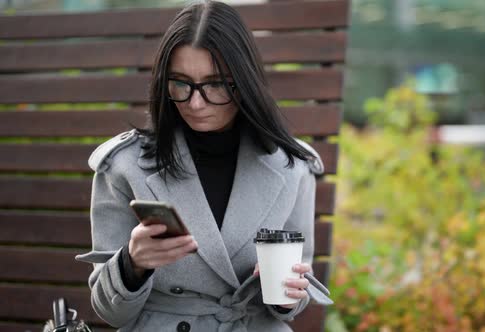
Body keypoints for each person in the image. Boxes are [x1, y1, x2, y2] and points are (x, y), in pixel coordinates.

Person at [75, 1, 329, 331]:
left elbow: (296, 291)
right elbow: (109, 312)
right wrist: (131, 263)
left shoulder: (292, 166)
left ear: (244, 82)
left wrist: (285, 296)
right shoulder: (124, 166)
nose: (195, 103)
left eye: (215, 84)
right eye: (181, 83)